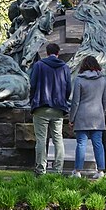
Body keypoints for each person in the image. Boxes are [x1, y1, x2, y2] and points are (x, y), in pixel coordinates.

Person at [29, 42, 72, 175]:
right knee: (58, 139)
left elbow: (33, 85)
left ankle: (41, 170)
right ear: (58, 53)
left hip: (41, 106)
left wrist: (32, 101)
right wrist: (62, 100)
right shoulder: (64, 67)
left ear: (47, 53)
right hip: (58, 108)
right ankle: (58, 169)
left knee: (41, 139)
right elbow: (68, 87)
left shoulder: (39, 65)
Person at [69, 55, 106, 179]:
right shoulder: (102, 80)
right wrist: (102, 112)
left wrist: (71, 118)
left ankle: (78, 171)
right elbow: (105, 100)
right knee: (98, 144)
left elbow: (75, 102)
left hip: (82, 116)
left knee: (81, 144)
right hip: (97, 117)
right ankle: (100, 171)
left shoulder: (79, 80)